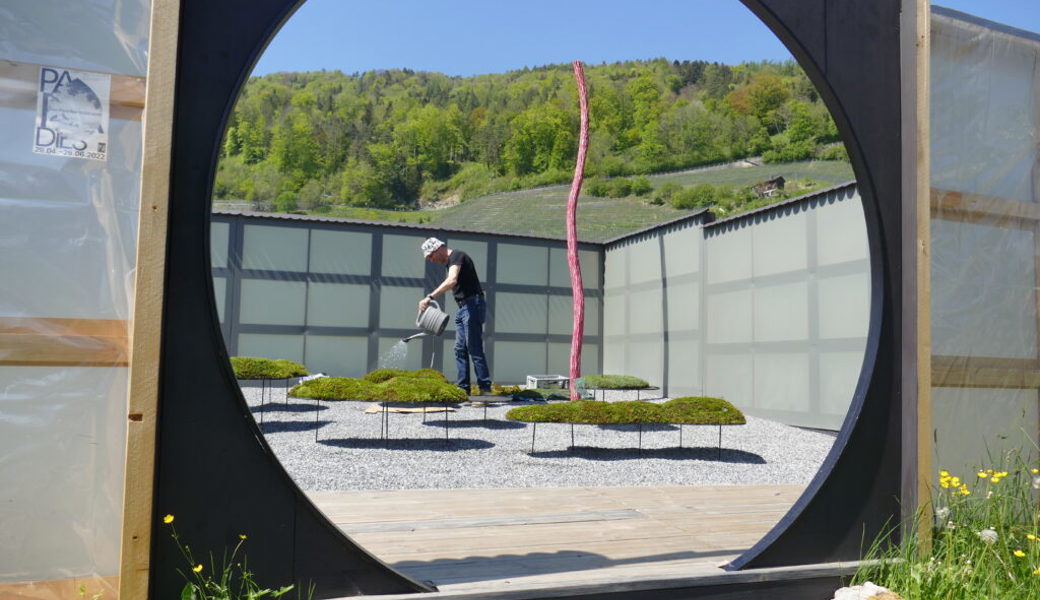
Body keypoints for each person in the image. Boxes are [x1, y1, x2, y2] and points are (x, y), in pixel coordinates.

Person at [419, 237, 492, 395]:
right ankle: (463, 389)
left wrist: (429, 297)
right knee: (460, 349)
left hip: (473, 305)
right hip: (463, 308)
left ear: (438, 248)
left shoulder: (457, 256)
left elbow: (452, 280)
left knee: (474, 347)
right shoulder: (450, 261)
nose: (431, 260)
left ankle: (485, 390)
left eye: (431, 256)